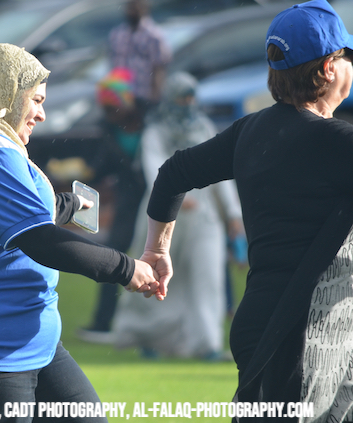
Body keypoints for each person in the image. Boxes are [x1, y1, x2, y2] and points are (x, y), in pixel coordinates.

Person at [0, 43, 160, 422]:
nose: (41, 113)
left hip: (27, 345)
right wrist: (126, 268)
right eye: (35, 100)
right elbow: (38, 239)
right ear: (3, 93)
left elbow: (18, 210)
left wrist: (70, 204)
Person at [138, 1, 353, 419]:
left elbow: (172, 173)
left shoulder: (249, 131)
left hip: (264, 322)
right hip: (305, 335)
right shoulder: (337, 143)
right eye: (346, 56)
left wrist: (157, 249)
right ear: (329, 67)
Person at [112, 72, 244, 360]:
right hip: (162, 215)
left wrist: (233, 213)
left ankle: (206, 343)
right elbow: (154, 166)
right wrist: (173, 196)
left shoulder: (203, 127)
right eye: (182, 97)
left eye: (190, 97)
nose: (187, 103)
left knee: (207, 276)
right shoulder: (156, 131)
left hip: (203, 215)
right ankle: (148, 336)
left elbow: (221, 171)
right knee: (155, 276)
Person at [78, 0, 172, 343]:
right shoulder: (112, 131)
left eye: (113, 109)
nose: (110, 115)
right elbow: (99, 167)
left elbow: (158, 72)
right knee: (116, 251)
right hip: (130, 198)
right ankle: (104, 322)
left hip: (155, 202)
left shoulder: (153, 129)